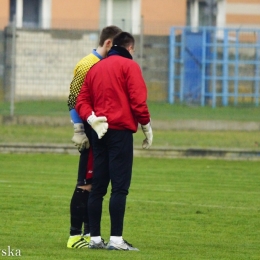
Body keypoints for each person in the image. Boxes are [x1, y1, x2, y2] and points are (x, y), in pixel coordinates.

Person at [75, 31, 153, 251]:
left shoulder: (95, 68)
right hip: (120, 132)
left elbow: (82, 100)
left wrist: (91, 118)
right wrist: (146, 126)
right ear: (130, 48)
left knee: (98, 187)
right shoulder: (130, 67)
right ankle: (117, 239)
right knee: (119, 188)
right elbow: (138, 100)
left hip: (98, 132)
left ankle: (95, 238)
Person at [66, 25, 122, 249]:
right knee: (86, 183)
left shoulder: (107, 65)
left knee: (97, 182)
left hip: (102, 133)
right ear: (108, 43)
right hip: (90, 132)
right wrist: (78, 129)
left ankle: (90, 234)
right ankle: (73, 236)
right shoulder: (87, 64)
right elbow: (72, 99)